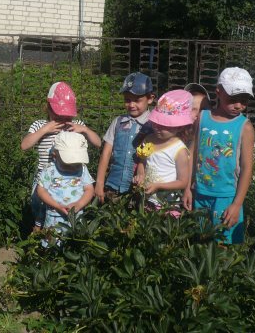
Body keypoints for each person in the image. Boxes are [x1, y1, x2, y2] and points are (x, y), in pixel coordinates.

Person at [21, 82, 101, 231]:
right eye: (58, 115)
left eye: (66, 115)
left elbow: (98, 143)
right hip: (44, 179)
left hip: (71, 179)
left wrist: (84, 129)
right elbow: (24, 145)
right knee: (40, 209)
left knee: (65, 213)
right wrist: (45, 129)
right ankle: (39, 235)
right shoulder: (40, 125)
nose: (63, 119)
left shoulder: (76, 124)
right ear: (48, 107)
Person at [192, 67, 255, 244]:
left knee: (222, 246)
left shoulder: (245, 127)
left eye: (244, 100)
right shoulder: (202, 118)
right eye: (233, 99)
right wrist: (187, 188)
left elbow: (247, 168)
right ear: (218, 92)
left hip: (226, 197)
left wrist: (236, 204)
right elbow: (194, 151)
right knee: (199, 242)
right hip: (199, 192)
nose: (239, 105)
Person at [95, 72, 155, 202]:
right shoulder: (118, 122)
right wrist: (99, 183)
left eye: (137, 100)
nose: (131, 104)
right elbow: (106, 153)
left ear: (150, 98)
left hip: (139, 188)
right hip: (113, 185)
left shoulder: (154, 125)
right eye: (127, 100)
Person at [134, 90, 193, 213]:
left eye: (165, 125)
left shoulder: (179, 150)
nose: (158, 128)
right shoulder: (148, 139)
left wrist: (159, 186)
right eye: (156, 123)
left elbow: (183, 182)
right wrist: (140, 175)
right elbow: (142, 161)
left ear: (179, 127)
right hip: (147, 200)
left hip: (167, 204)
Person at [35, 130, 95, 233]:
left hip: (76, 215)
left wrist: (79, 204)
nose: (73, 167)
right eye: (67, 163)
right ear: (55, 154)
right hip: (54, 216)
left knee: (74, 241)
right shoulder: (50, 170)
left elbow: (89, 189)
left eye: (76, 163)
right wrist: (56, 205)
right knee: (52, 241)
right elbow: (41, 190)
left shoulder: (83, 169)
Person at [182, 82, 210, 211]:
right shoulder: (176, 136)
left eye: (203, 110)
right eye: (193, 109)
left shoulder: (208, 139)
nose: (198, 114)